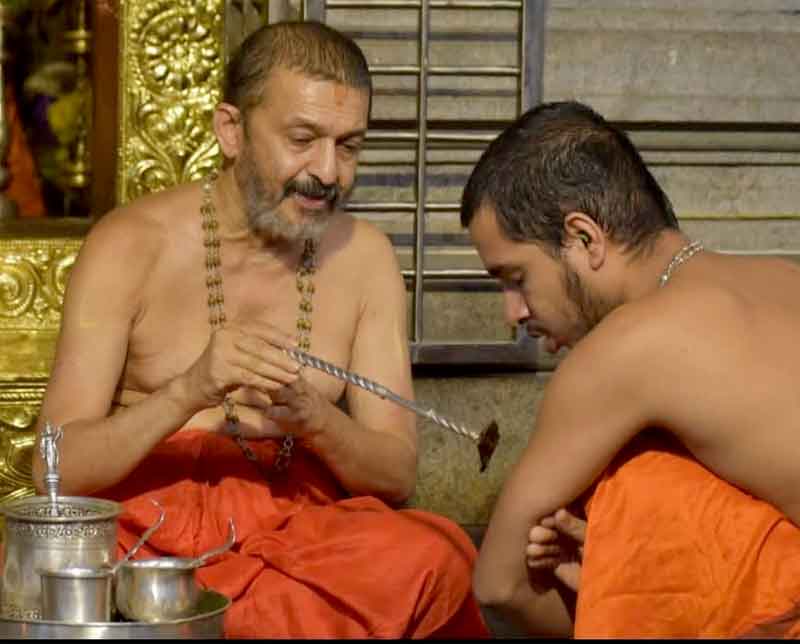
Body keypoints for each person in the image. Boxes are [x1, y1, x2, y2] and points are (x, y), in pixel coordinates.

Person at [32, 20, 489, 639]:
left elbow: (395, 472)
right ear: (231, 130)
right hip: (147, 540)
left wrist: (316, 420)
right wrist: (188, 391)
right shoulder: (130, 245)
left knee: (437, 555)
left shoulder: (364, 258)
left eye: (348, 146)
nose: (327, 172)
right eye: (303, 140)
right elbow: (56, 469)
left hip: (298, 537)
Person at [460, 100, 800, 638]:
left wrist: (619, 603)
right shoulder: (782, 276)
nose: (513, 313)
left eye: (516, 278)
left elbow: (499, 584)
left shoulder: (626, 348)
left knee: (634, 479)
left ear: (584, 238)